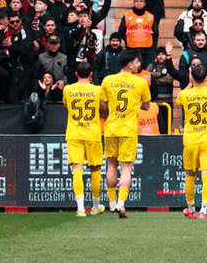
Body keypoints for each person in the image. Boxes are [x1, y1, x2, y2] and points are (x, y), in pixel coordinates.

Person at [101, 51, 151, 217]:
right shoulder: (140, 83)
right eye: (137, 62)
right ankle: (121, 203)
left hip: (111, 128)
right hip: (128, 130)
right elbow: (147, 106)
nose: (139, 65)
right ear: (130, 65)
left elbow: (103, 104)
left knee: (111, 165)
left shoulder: (108, 80)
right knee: (126, 168)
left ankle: (111, 203)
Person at [177, 63, 207, 220]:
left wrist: (190, 83)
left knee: (190, 175)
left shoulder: (184, 94)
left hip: (190, 140)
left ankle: (191, 209)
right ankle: (204, 210)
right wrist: (203, 80)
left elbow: (178, 101)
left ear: (191, 77)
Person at [63, 62, 105, 217]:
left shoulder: (68, 89)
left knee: (77, 169)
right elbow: (103, 107)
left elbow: (66, 106)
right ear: (91, 74)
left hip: (74, 133)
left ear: (75, 74)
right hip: (92, 133)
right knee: (95, 169)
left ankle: (80, 208)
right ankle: (95, 206)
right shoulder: (98, 90)